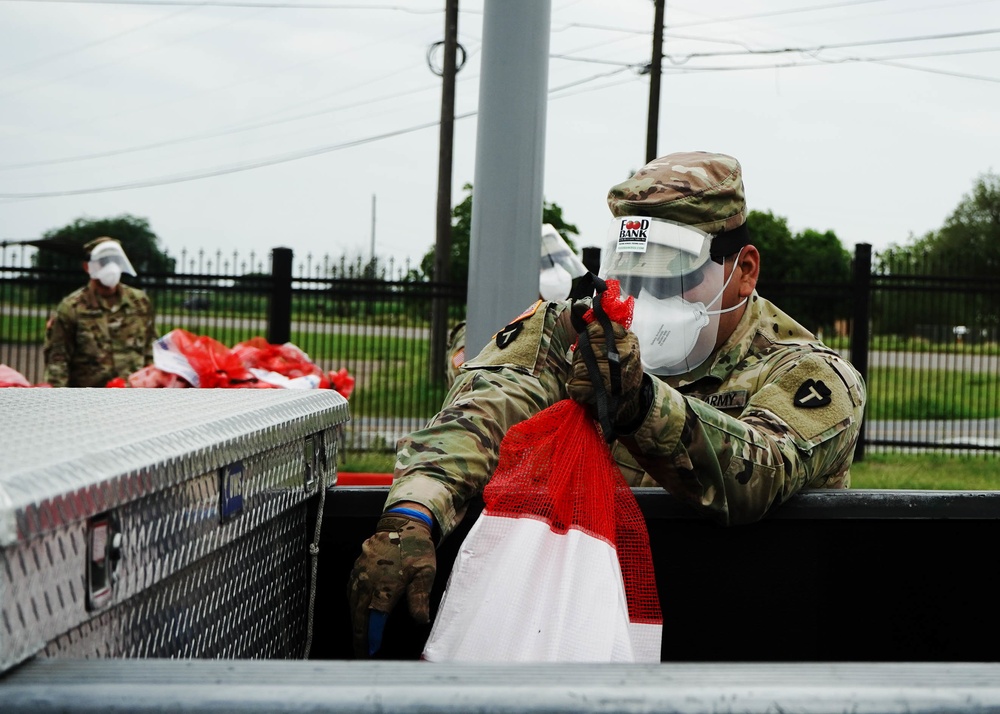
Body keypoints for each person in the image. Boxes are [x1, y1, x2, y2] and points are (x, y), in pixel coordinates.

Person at [347, 150, 867, 657]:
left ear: (744, 270)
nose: (651, 301)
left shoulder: (809, 375)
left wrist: (638, 403)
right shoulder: (579, 330)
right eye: (637, 278)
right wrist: (412, 515)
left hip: (746, 639)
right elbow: (479, 416)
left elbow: (757, 474)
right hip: (581, 627)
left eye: (678, 279)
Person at [445, 223, 592, 385]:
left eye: (555, 261)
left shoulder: (559, 324)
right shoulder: (476, 329)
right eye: (543, 265)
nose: (555, 270)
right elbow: (462, 378)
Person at [43, 237, 158, 387]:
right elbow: (58, 361)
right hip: (89, 400)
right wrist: (58, 402)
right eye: (103, 261)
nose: (111, 267)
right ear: (87, 266)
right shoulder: (72, 308)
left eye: (115, 261)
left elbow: (152, 351)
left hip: (132, 398)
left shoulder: (139, 303)